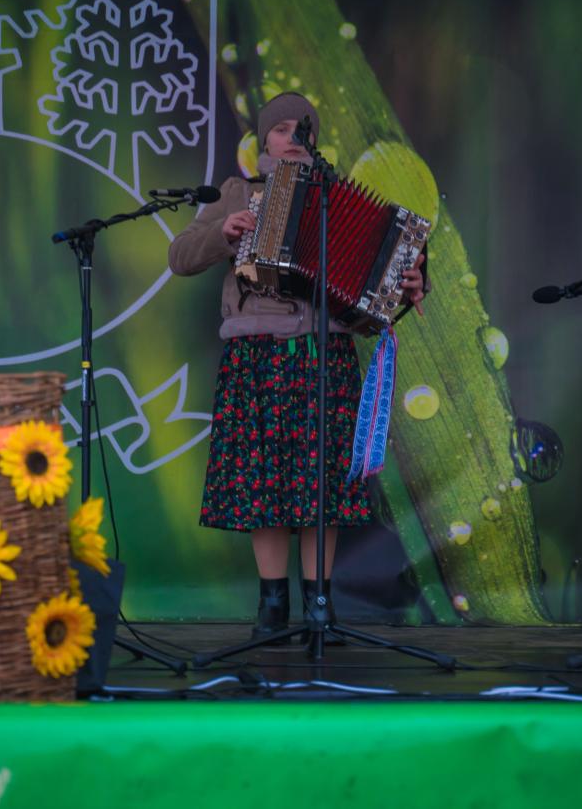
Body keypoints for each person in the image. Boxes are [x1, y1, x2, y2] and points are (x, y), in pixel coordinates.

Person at [167, 92, 426, 642]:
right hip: (256, 356)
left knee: (320, 484)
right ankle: (271, 604)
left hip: (324, 356)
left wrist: (405, 286)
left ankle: (319, 604)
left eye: (303, 129)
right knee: (264, 484)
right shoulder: (238, 192)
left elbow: (371, 302)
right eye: (282, 128)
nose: (293, 138)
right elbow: (180, 256)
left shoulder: (335, 199)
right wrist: (223, 232)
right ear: (263, 138)